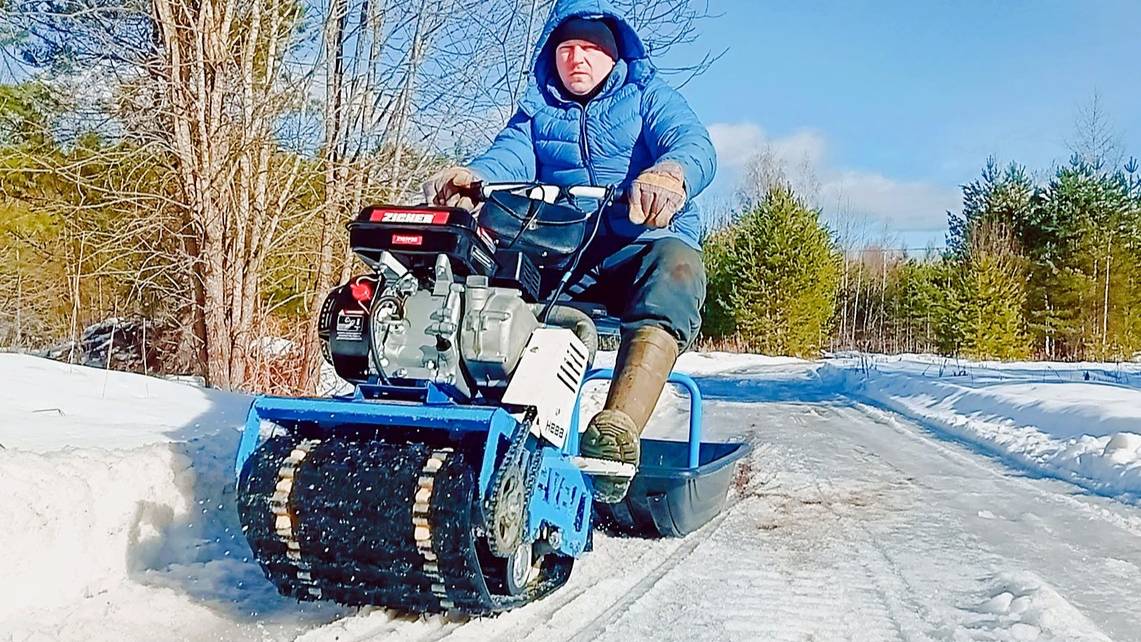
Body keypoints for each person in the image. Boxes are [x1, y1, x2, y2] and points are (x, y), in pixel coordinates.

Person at [423, 0, 716, 502]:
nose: (577, 58)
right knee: (488, 275)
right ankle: (475, 428)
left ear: (614, 51)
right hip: (566, 252)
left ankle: (617, 432)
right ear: (551, 54)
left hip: (640, 247)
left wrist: (671, 175)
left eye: (590, 47)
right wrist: (473, 177)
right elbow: (506, 158)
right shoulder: (537, 112)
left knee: (678, 269)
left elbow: (692, 144)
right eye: (566, 48)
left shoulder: (649, 97)